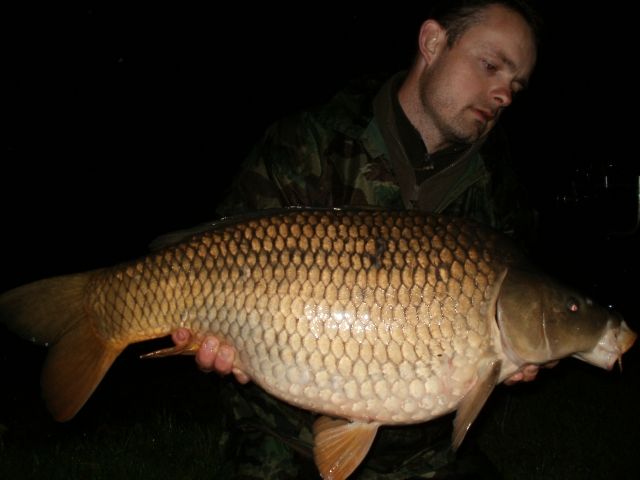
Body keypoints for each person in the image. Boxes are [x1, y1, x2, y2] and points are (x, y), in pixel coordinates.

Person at [173, 1, 544, 477]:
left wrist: (527, 347)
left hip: (421, 453)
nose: (504, 95)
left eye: (515, 85)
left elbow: (519, 308)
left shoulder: (498, 190)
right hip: (284, 433)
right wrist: (222, 344)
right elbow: (214, 260)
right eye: (491, 66)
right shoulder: (308, 143)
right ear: (432, 43)